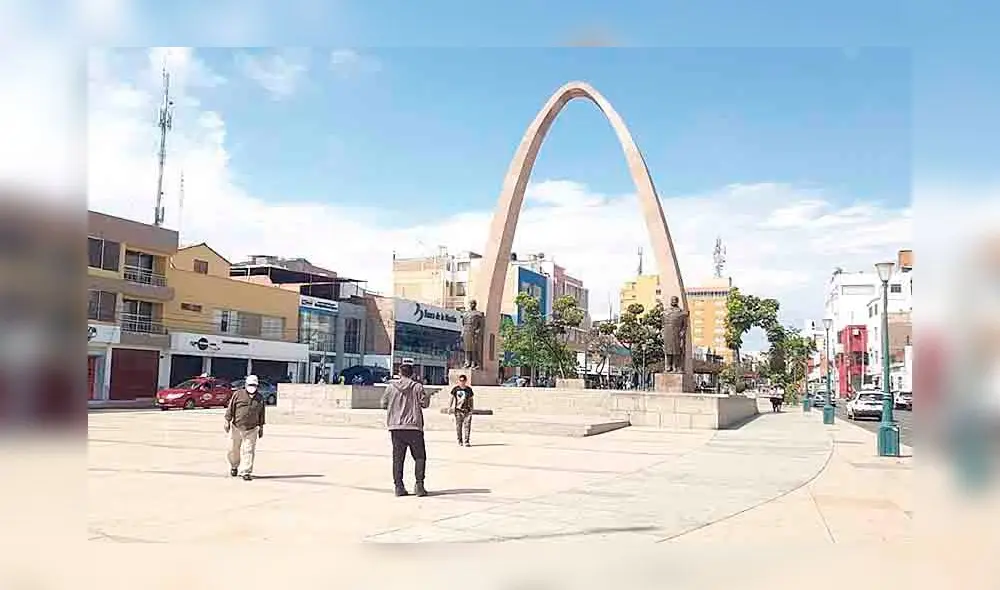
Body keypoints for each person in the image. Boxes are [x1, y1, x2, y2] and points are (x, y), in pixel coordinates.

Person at [380, 363, 431, 497]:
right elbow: (424, 404)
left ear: (400, 373)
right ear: (412, 374)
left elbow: (383, 404)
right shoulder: (418, 387)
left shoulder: (391, 387)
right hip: (414, 427)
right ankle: (419, 485)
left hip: (396, 427)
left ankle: (399, 486)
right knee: (420, 457)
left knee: (398, 458)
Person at [224, 374, 266, 481]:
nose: (252, 387)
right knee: (233, 449)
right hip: (237, 426)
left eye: (254, 385)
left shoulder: (260, 398)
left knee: (249, 450)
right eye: (250, 384)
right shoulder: (238, 394)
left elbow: (262, 413)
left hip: (252, 428)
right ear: (246, 384)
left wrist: (261, 428)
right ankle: (234, 466)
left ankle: (246, 471)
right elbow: (230, 408)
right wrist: (227, 421)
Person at [449, 374, 475, 447]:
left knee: (467, 426)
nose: (462, 382)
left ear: (466, 381)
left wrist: (472, 408)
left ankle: (466, 441)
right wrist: (450, 407)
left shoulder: (469, 390)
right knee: (458, 426)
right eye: (460, 381)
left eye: (463, 381)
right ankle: (460, 440)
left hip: (467, 410)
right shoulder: (455, 389)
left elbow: (471, 399)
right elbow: (452, 398)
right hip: (458, 410)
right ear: (459, 381)